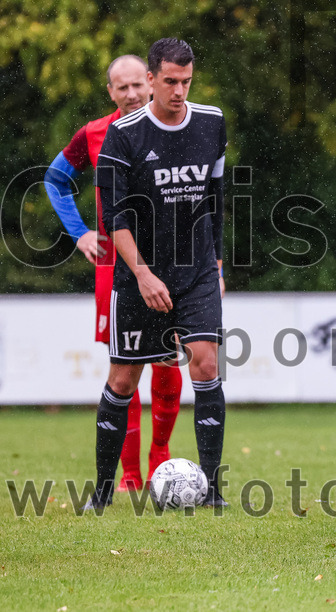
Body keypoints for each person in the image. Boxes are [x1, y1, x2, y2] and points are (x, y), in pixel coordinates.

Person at [85, 38, 227, 511]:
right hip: (139, 275)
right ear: (151, 79)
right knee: (123, 380)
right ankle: (103, 492)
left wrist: (219, 264)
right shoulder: (122, 136)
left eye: (186, 81)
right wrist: (143, 274)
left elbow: (217, 197)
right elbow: (116, 220)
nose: (179, 90)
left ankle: (211, 490)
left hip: (197, 269)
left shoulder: (212, 122)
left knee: (206, 363)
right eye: (170, 81)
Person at [44, 55, 183, 492]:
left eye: (136, 86)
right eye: (120, 88)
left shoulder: (178, 125)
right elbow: (55, 179)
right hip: (116, 265)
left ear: (149, 82)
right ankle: (128, 474)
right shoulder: (94, 133)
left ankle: (160, 454)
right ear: (110, 92)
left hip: (171, 260)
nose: (131, 95)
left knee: (167, 357)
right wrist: (80, 232)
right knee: (124, 365)